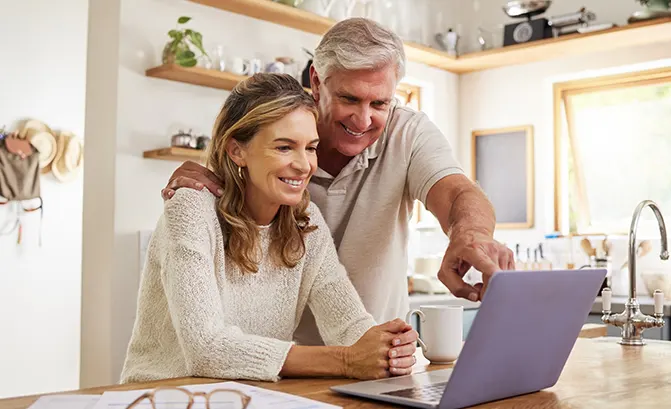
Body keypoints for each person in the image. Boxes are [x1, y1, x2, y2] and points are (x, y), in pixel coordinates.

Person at [162, 18, 514, 346]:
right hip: (273, 364)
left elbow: (456, 194)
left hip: (364, 352)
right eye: (349, 98)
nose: (363, 119)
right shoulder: (273, 138)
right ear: (316, 81)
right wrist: (207, 186)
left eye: (380, 103)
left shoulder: (408, 134)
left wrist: (471, 234)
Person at [120, 73, 418, 384]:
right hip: (163, 397)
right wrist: (346, 360)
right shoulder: (192, 209)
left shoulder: (306, 222)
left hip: (250, 397)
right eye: (284, 147)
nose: (304, 165)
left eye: (311, 148)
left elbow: (349, 324)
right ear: (237, 151)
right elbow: (207, 348)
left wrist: (387, 347)